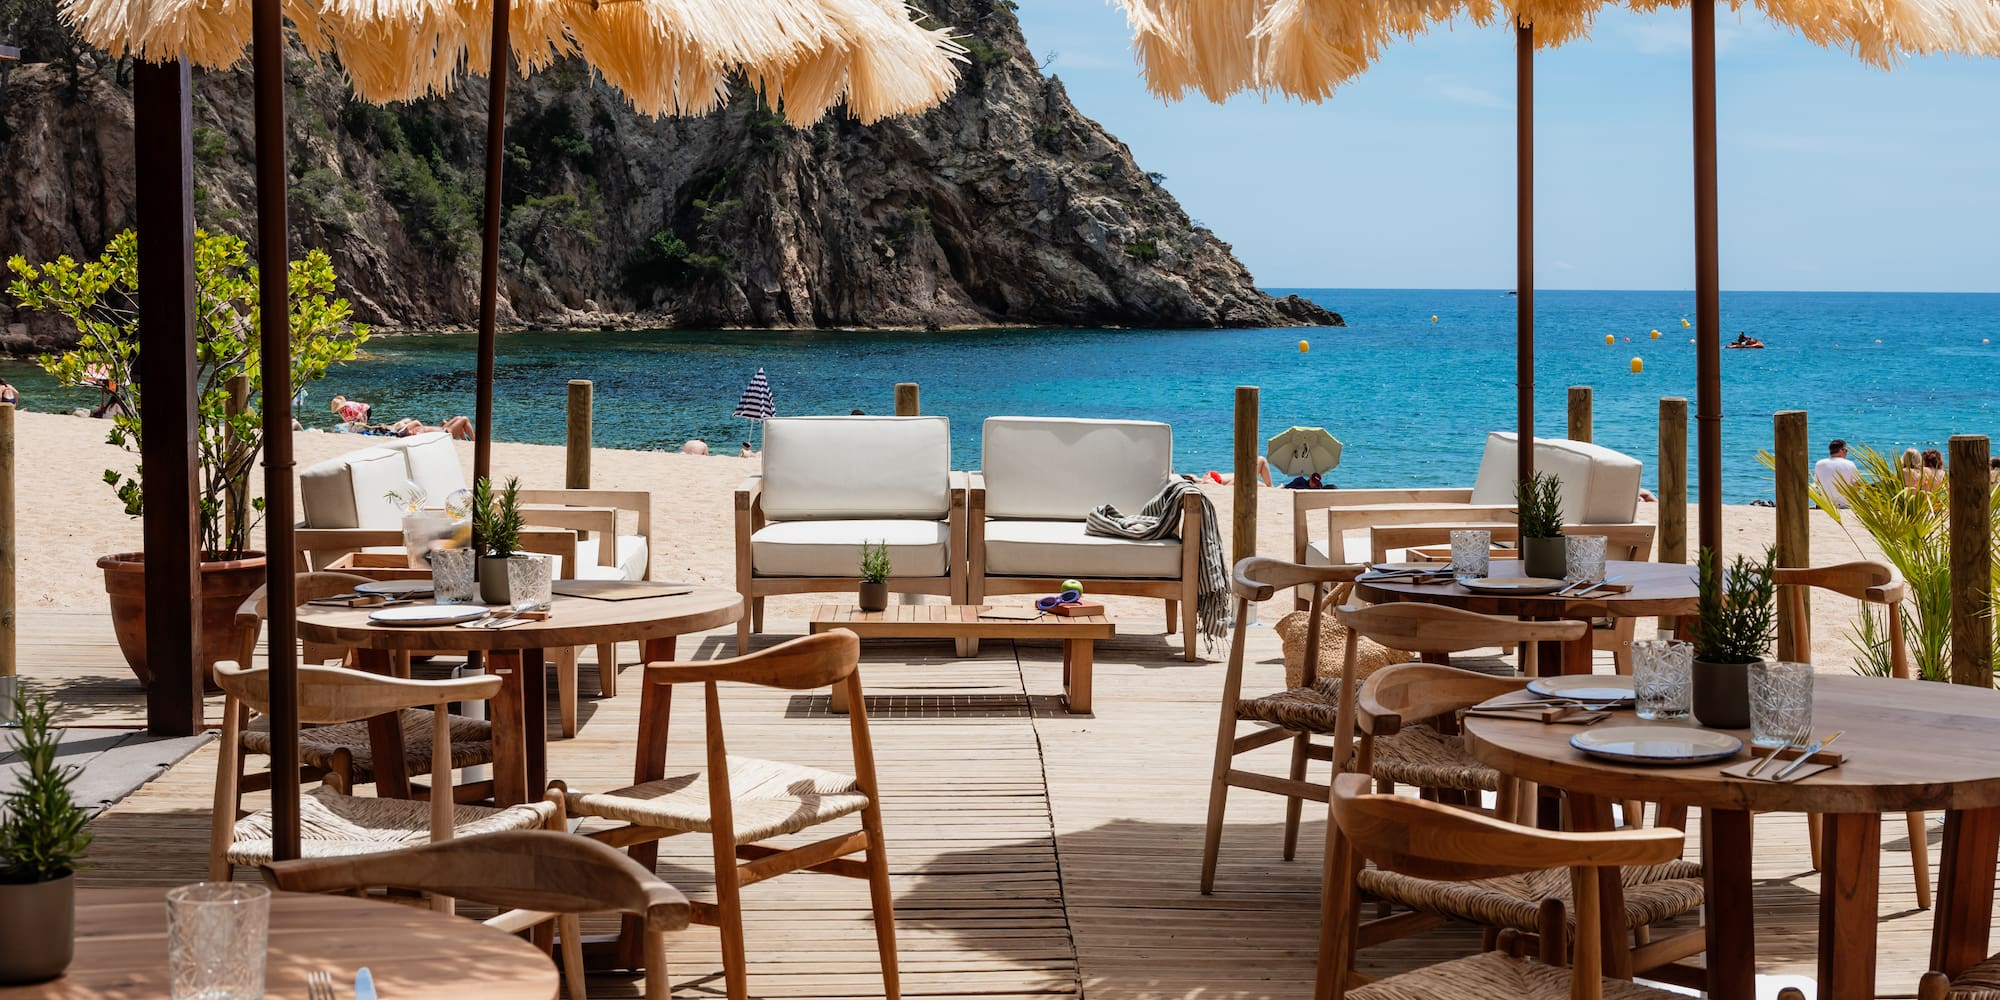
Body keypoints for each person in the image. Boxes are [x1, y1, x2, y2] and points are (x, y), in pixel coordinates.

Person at [1814, 439, 1859, 507]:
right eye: (1846, 450)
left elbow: (1817, 483)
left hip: (1826, 505)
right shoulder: (1850, 464)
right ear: (1841, 450)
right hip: (1845, 505)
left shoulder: (1819, 464)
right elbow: (1857, 486)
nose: (1847, 453)